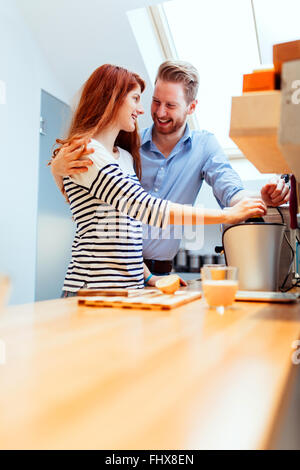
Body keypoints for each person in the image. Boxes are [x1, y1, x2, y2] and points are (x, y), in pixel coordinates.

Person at [50, 63, 271, 292]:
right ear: (113, 100)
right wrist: (227, 214)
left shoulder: (124, 157)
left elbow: (127, 228)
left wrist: (147, 278)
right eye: (137, 99)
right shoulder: (89, 153)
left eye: (170, 105)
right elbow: (146, 208)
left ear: (191, 107)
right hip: (93, 289)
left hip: (128, 289)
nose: (146, 110)